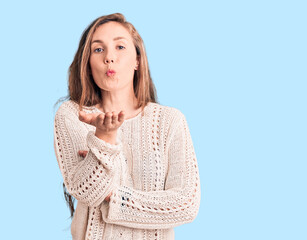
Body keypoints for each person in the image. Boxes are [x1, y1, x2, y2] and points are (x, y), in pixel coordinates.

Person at [53, 13, 201, 240]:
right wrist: (104, 137)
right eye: (98, 49)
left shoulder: (170, 121)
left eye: (120, 47)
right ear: (88, 63)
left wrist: (114, 197)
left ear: (137, 60)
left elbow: (186, 204)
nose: (109, 58)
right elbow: (88, 191)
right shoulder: (74, 115)